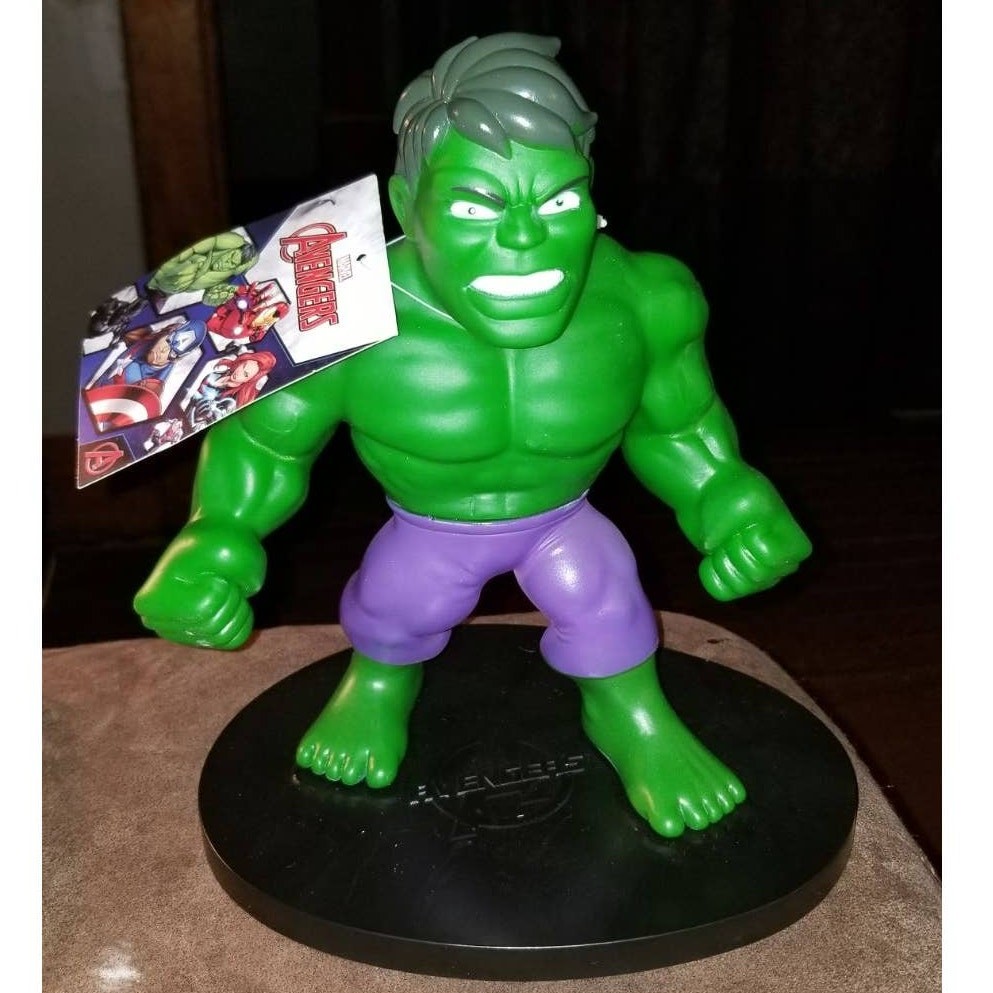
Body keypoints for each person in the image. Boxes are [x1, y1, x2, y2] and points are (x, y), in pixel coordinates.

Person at [135, 34, 811, 838]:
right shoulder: (328, 318)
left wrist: (732, 500)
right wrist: (212, 536)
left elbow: (680, 425)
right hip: (428, 524)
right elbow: (265, 447)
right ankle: (376, 684)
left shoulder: (645, 299)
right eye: (471, 206)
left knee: (604, 593)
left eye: (556, 202)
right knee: (396, 601)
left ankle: (629, 713)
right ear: (404, 203)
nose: (524, 238)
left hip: (561, 516)